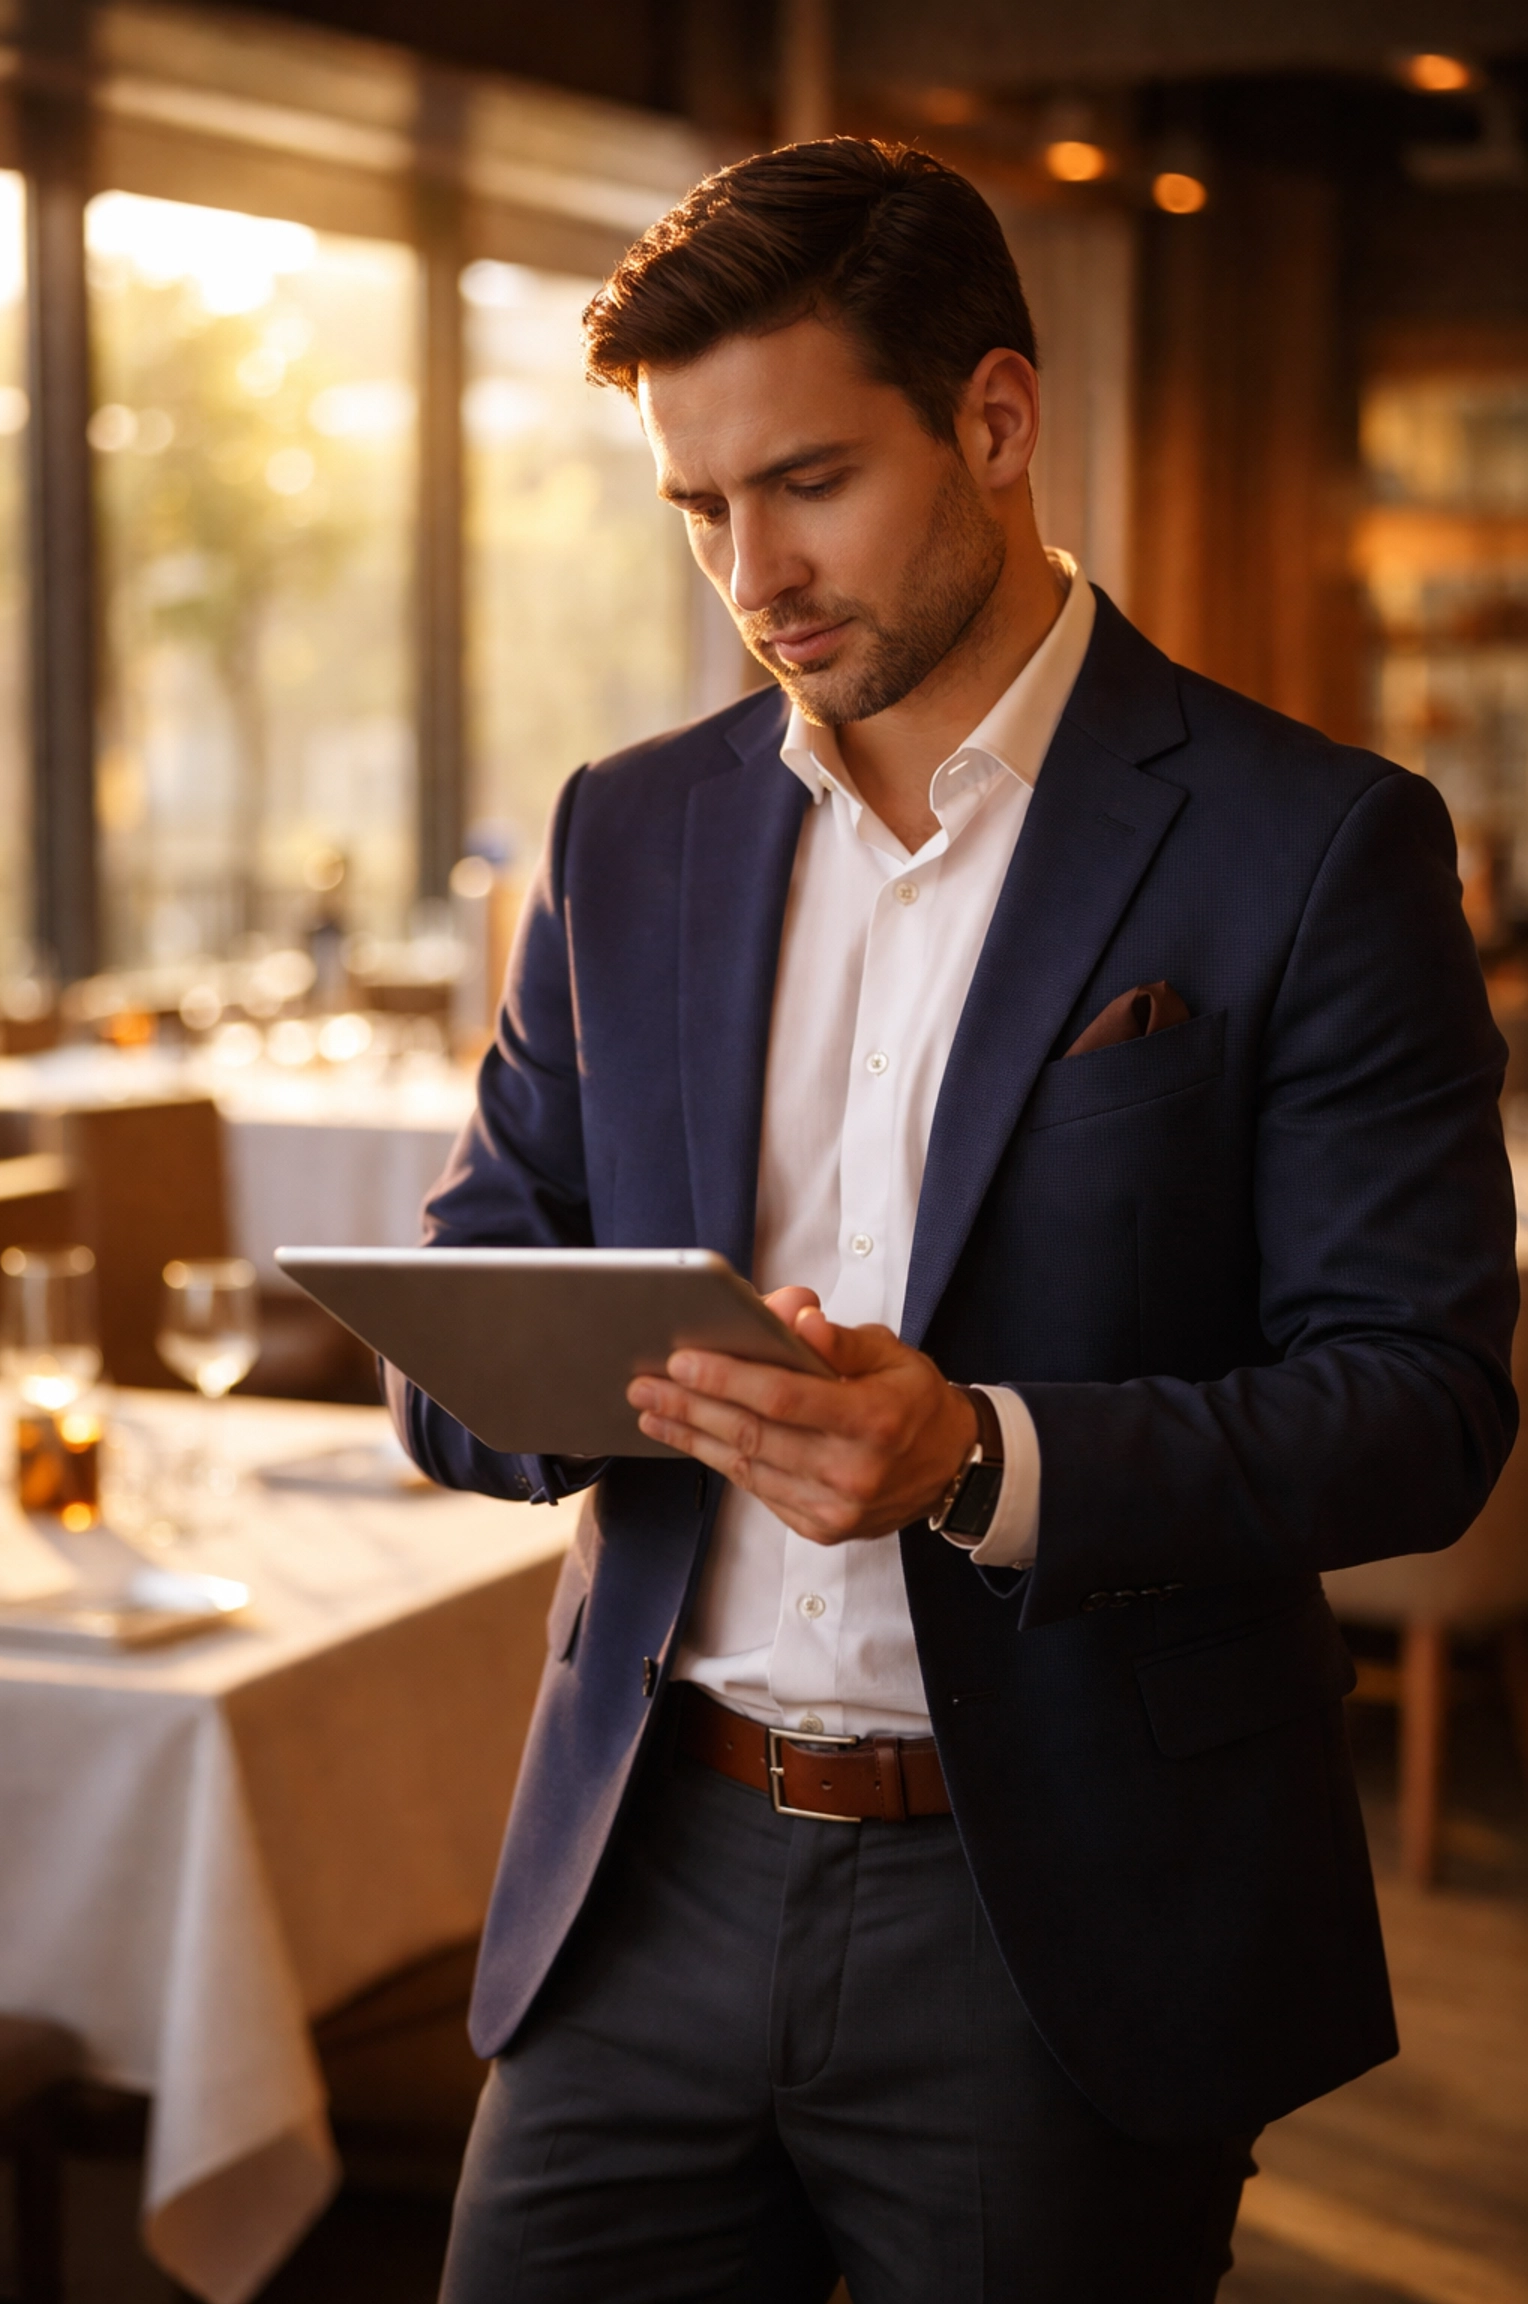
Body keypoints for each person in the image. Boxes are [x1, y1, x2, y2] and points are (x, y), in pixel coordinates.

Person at [388, 140, 1517, 2303]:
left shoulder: (1312, 845)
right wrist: (564, 1379)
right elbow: (472, 1303)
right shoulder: (625, 834)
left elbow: (1425, 1404)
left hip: (1060, 1912)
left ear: (995, 422)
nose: (753, 569)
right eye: (700, 507)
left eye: (806, 480)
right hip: (644, 1865)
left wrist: (979, 1456)